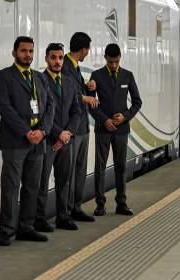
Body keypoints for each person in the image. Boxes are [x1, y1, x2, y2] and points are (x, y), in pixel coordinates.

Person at [0, 36, 55, 246]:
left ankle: (26, 227)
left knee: (32, 186)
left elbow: (49, 107)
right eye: (23, 51)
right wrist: (26, 132)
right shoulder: (3, 77)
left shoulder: (40, 78)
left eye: (30, 51)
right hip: (15, 142)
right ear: (14, 53)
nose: (27, 55)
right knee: (11, 187)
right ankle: (7, 231)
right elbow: (5, 108)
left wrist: (43, 131)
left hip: (38, 141)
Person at [89, 43, 142, 216]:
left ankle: (122, 203)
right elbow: (91, 103)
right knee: (100, 167)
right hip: (103, 129)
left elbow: (137, 102)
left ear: (120, 59)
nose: (113, 65)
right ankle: (100, 205)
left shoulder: (127, 75)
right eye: (111, 61)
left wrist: (125, 116)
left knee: (121, 167)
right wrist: (104, 120)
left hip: (121, 130)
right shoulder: (96, 76)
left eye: (116, 62)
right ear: (105, 58)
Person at [35, 43, 82, 233]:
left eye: (60, 57)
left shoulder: (70, 82)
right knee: (42, 181)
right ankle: (39, 219)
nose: (57, 61)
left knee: (64, 180)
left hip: (66, 141)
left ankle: (63, 216)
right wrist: (57, 133)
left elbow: (77, 111)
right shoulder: (39, 80)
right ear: (46, 58)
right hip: (47, 140)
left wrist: (67, 133)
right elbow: (41, 113)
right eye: (53, 57)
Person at [62, 32, 98, 223]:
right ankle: (67, 211)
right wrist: (87, 97)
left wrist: (88, 86)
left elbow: (76, 88)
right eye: (88, 49)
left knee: (80, 170)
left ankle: (76, 206)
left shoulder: (74, 67)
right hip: (72, 127)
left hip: (82, 126)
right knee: (70, 171)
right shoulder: (66, 66)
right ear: (83, 49)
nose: (88, 52)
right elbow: (68, 94)